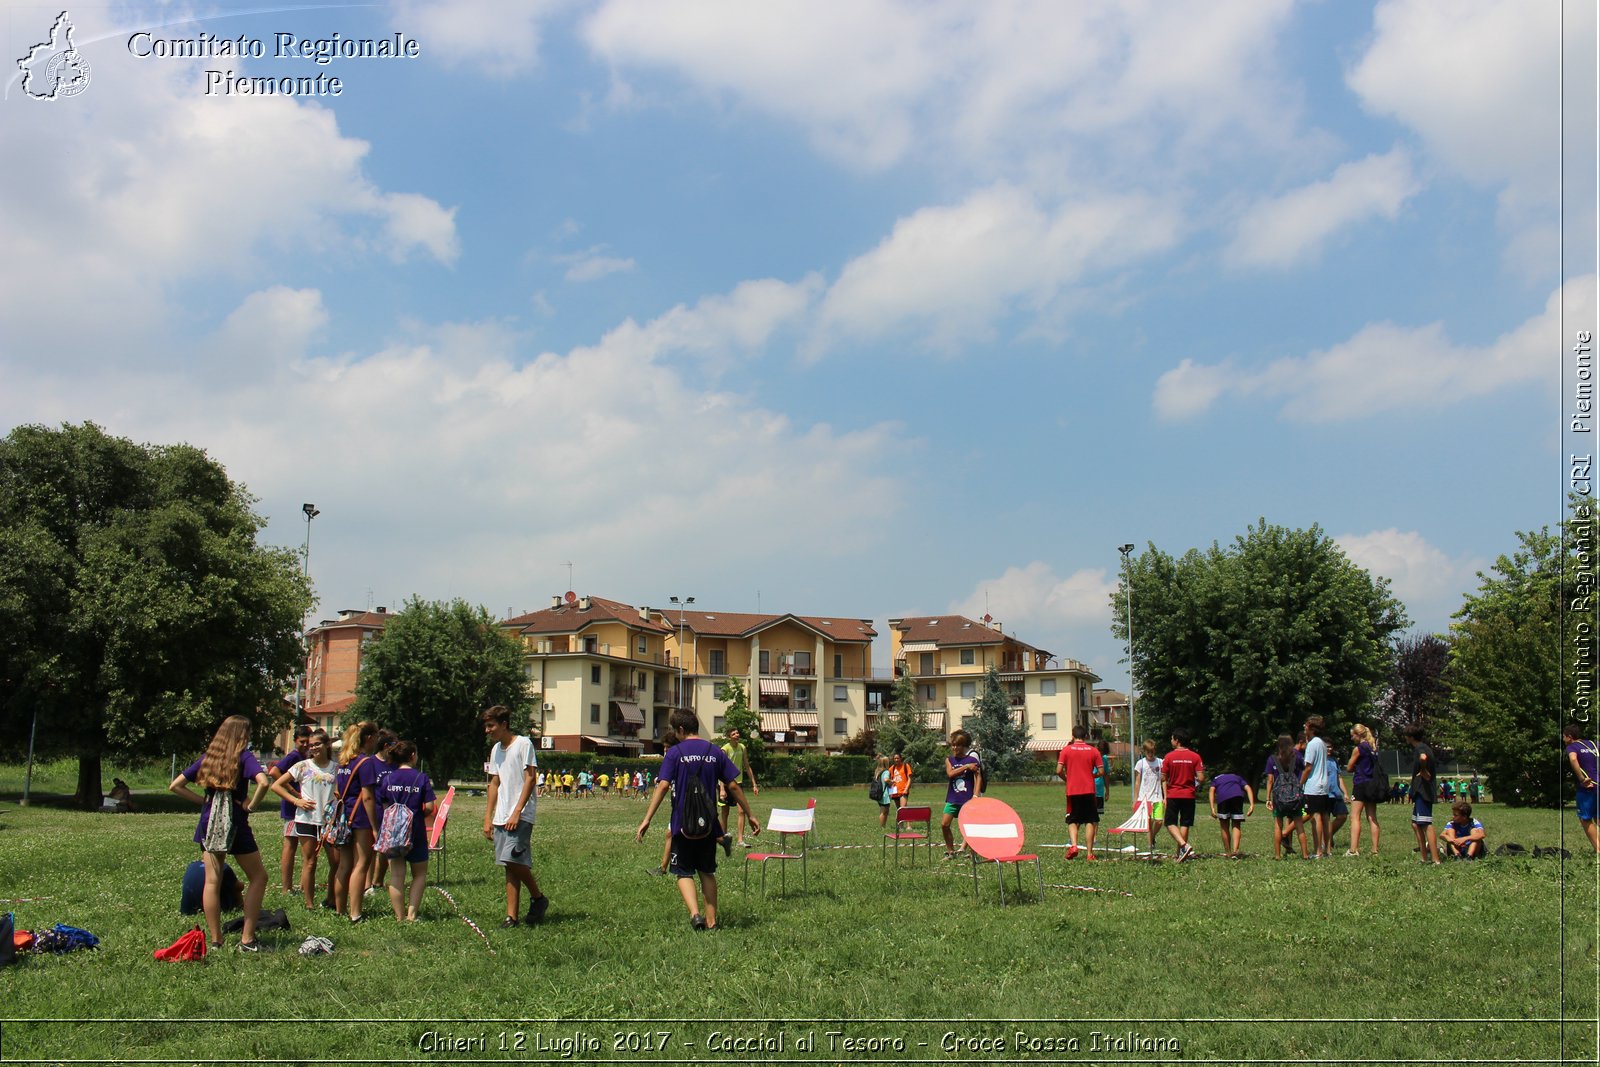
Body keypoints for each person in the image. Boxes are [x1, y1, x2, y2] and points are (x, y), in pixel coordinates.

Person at [636, 710, 761, 931]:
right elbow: (732, 785)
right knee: (707, 871)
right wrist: (749, 814)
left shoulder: (674, 753)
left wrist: (647, 819)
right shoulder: (715, 752)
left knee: (683, 872)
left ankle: (695, 915)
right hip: (708, 824)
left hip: (681, 824)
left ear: (681, 730)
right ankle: (712, 922)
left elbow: (663, 786)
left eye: (676, 731)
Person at [168, 714, 274, 951]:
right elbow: (264, 782)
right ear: (242, 735)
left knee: (212, 881)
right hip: (235, 823)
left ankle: (216, 940)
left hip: (209, 823)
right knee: (259, 877)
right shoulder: (244, 756)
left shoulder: (209, 757)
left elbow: (175, 786)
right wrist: (252, 806)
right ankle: (247, 940)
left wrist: (203, 802)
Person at [482, 705, 549, 927]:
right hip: (501, 816)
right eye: (486, 726)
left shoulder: (523, 744)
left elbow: (530, 778)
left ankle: (538, 898)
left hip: (520, 814)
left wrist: (517, 811)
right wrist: (488, 817)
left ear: (504, 724)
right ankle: (512, 917)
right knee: (509, 865)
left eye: (491, 726)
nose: (487, 730)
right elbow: (494, 783)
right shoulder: (495, 751)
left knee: (513, 859)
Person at [268, 728, 337, 911]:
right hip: (307, 820)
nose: (313, 748)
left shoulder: (336, 768)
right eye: (311, 745)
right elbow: (276, 785)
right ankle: (309, 904)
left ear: (327, 745)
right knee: (310, 861)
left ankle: (331, 899)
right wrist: (296, 800)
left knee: (335, 862)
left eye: (317, 744)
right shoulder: (302, 766)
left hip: (330, 822)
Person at [378, 740, 436, 921]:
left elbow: (383, 804)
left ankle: (399, 916)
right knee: (419, 874)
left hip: (393, 834)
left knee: (396, 875)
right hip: (416, 831)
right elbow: (429, 806)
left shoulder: (387, 778)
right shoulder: (421, 778)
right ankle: (412, 915)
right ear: (412, 755)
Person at [333, 721, 382, 922]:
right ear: (368, 738)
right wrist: (375, 827)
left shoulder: (343, 761)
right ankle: (355, 913)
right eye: (376, 736)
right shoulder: (366, 762)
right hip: (360, 816)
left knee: (344, 864)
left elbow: (337, 791)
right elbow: (368, 796)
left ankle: (339, 909)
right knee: (362, 863)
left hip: (343, 816)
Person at [271, 723, 313, 894]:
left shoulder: (305, 756)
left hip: (302, 806)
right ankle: (286, 887)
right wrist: (293, 791)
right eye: (302, 741)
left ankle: (302, 885)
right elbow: (274, 771)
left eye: (307, 742)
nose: (304, 745)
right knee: (290, 845)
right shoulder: (294, 756)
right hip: (291, 808)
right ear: (295, 741)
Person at [1056, 726, 1105, 860]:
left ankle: (1074, 845)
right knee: (1090, 820)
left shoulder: (1066, 750)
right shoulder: (1094, 751)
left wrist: (1067, 779)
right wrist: (1092, 776)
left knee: (1072, 819)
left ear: (1073, 736)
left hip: (1073, 790)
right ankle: (1089, 853)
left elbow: (1058, 770)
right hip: (1089, 790)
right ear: (1086, 736)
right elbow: (1101, 772)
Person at [1161, 729, 1205, 861]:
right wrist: (1194, 785)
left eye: (1172, 738)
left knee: (1169, 822)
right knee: (1185, 823)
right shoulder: (1195, 757)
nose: (1171, 741)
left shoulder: (1169, 757)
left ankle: (1184, 846)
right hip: (1189, 795)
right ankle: (1181, 853)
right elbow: (1201, 777)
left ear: (1177, 740)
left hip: (1173, 794)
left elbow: (1163, 777)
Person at [940, 730, 984, 859]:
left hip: (967, 799)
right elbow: (950, 774)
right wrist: (966, 767)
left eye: (958, 745)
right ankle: (951, 852)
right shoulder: (949, 760)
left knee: (969, 827)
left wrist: (975, 795)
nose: (955, 748)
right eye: (953, 745)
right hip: (952, 799)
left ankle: (973, 853)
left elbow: (978, 777)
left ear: (964, 746)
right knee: (944, 825)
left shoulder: (972, 760)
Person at [717, 727, 760, 847]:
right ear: (729, 736)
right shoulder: (724, 749)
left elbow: (747, 766)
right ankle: (724, 837)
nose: (736, 735)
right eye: (733, 733)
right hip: (725, 783)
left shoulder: (742, 747)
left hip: (738, 783)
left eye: (737, 733)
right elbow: (720, 769)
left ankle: (740, 840)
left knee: (742, 811)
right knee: (725, 812)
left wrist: (754, 784)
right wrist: (721, 789)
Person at [1404, 723, 1441, 865]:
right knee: (1415, 824)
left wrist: (1423, 769)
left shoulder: (1420, 748)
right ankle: (1424, 857)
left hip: (1423, 790)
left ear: (1411, 737)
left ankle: (1436, 859)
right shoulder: (1422, 747)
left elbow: (1423, 757)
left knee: (1426, 824)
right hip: (1419, 790)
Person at [1267, 735, 1308, 860]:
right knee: (1299, 825)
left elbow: (1270, 780)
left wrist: (1268, 798)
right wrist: (1299, 785)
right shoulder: (1296, 757)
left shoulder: (1272, 759)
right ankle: (1305, 855)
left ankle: (1278, 855)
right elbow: (1305, 769)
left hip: (1279, 798)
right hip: (1295, 797)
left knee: (1278, 825)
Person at [1346, 723, 1384, 857]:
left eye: (1353, 736)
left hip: (1360, 784)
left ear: (1358, 735)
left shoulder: (1359, 749)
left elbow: (1349, 767)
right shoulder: (1373, 748)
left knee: (1355, 816)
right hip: (1372, 785)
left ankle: (1353, 849)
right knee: (1372, 817)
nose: (1352, 739)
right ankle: (1375, 850)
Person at [1299, 715, 1332, 859]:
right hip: (1324, 785)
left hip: (1313, 786)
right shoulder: (1322, 743)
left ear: (1311, 728)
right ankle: (1327, 850)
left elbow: (1308, 767)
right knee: (1325, 818)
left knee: (1315, 818)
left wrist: (1299, 783)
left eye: (1306, 726)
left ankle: (1318, 851)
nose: (1304, 728)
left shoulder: (1312, 744)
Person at [1565, 724, 1600, 853]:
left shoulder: (1572, 747)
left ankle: (1598, 849)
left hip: (1588, 787)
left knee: (1585, 818)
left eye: (1563, 737)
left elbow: (1573, 759)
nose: (1563, 740)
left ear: (1569, 737)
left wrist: (1581, 779)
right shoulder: (1594, 744)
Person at [1208, 769, 1254, 857]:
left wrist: (1212, 808)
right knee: (1236, 824)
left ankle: (1228, 852)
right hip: (1237, 797)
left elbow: (1211, 790)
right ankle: (1235, 851)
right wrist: (1252, 805)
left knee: (1224, 825)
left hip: (1223, 798)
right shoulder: (1237, 777)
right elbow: (1248, 787)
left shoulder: (1216, 778)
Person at [1131, 739, 1164, 857]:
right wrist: (1135, 799)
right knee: (1148, 822)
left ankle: (1153, 836)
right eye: (1148, 752)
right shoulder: (1141, 763)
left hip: (1157, 796)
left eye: (1152, 752)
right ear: (1144, 751)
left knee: (1159, 821)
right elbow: (1137, 781)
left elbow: (1163, 780)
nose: (1150, 754)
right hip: (1144, 798)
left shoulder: (1160, 762)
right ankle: (1150, 845)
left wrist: (1166, 796)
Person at [873, 755, 893, 829]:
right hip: (885, 794)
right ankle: (882, 827)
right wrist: (892, 781)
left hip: (879, 794)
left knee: (885, 811)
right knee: (883, 812)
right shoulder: (886, 772)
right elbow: (886, 780)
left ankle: (883, 825)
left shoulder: (878, 771)